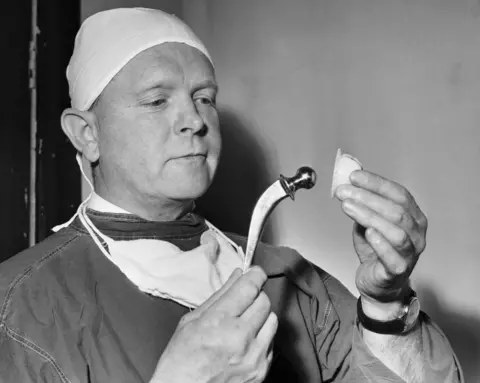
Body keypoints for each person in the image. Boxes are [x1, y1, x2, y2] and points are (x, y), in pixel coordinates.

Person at [0, 7, 463, 383]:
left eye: (204, 98)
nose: (195, 121)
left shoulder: (293, 281)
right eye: (157, 100)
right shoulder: (24, 306)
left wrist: (385, 301)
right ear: (86, 135)